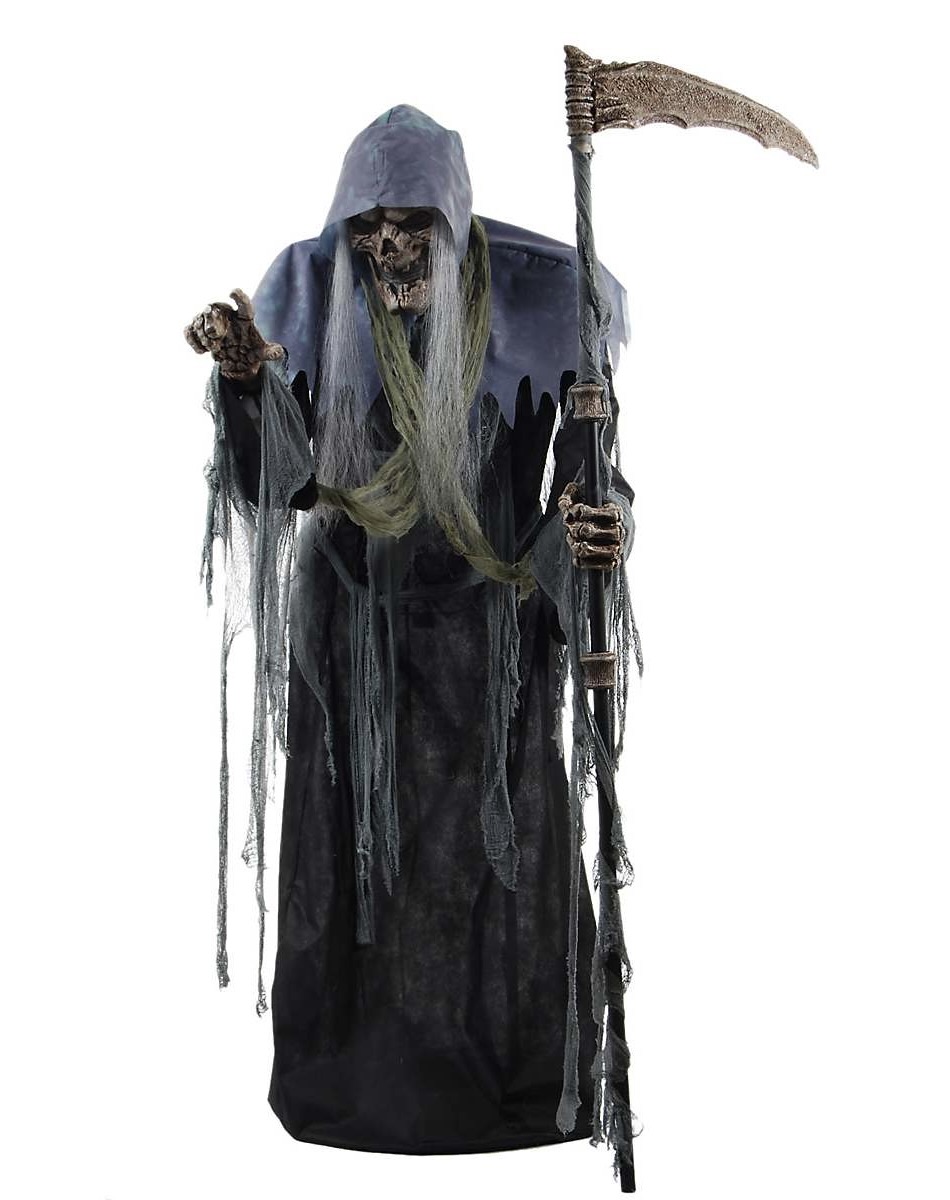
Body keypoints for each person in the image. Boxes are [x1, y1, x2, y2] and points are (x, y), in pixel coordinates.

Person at [186, 104, 640, 1163]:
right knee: (354, 860)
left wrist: (601, 525)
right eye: (369, 229)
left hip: (493, 651)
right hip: (357, 654)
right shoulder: (313, 312)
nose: (389, 251)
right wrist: (247, 386)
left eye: (410, 226)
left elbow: (592, 478)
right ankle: (354, 1088)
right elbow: (280, 484)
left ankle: (518, 1084)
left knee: (502, 862)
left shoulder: (547, 316)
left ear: (452, 222)